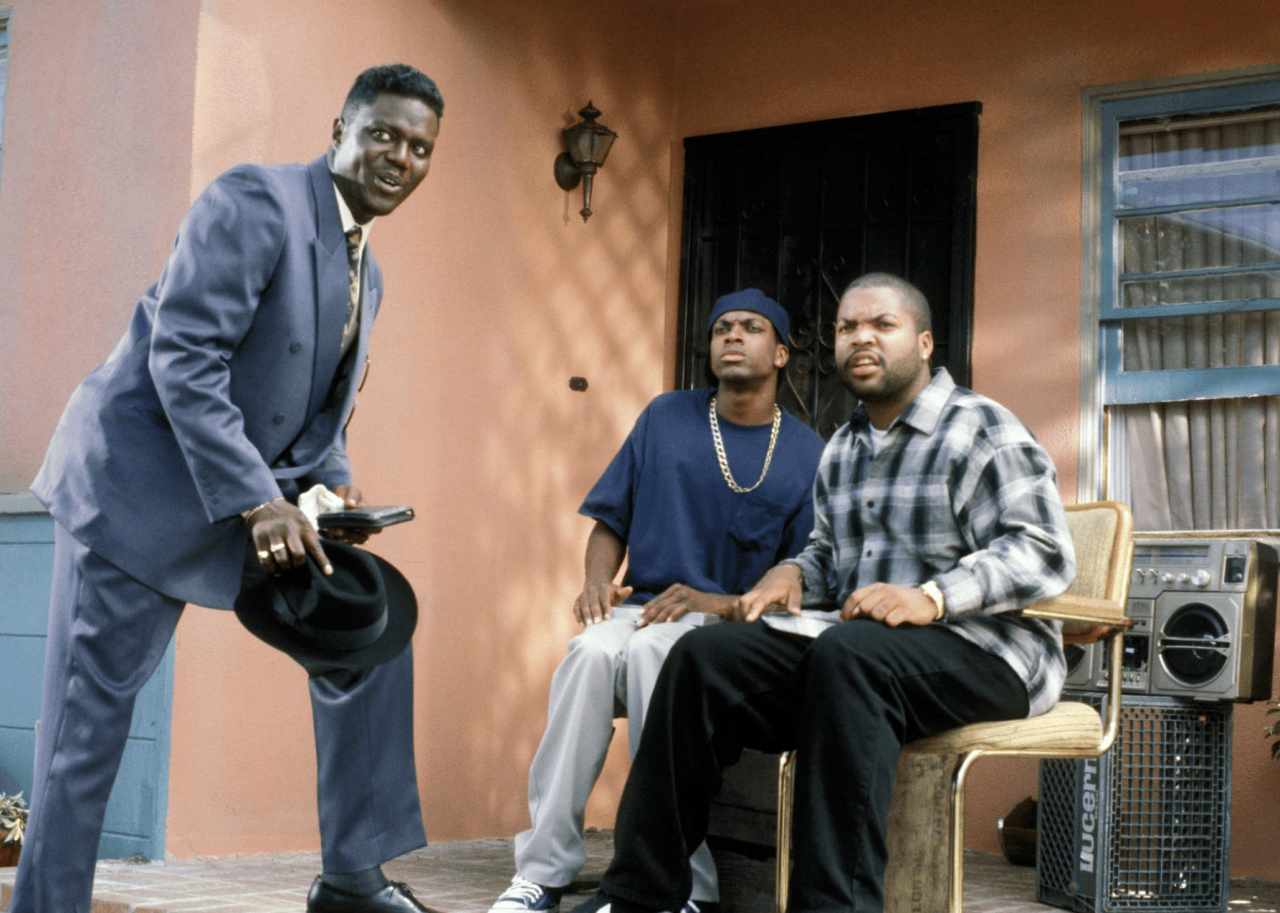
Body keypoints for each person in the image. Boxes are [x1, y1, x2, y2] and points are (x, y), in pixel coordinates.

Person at [15, 64, 445, 913]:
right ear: (340, 131)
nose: (401, 155)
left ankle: (353, 879)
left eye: (420, 146)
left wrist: (331, 485)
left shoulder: (372, 270)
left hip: (248, 499)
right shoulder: (256, 202)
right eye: (385, 134)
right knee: (86, 731)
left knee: (367, 627)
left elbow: (318, 412)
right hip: (135, 489)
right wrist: (260, 499)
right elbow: (185, 356)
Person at [570, 273, 1078, 913]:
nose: (862, 338)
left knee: (851, 656)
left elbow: (1046, 550)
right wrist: (795, 573)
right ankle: (640, 896)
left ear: (923, 343)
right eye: (847, 328)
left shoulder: (978, 426)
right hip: (868, 654)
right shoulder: (845, 447)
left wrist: (933, 596)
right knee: (703, 658)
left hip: (987, 651)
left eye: (882, 326)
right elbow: (827, 557)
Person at [488, 289, 826, 913]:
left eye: (751, 328)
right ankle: (542, 871)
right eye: (722, 326)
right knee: (589, 655)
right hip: (637, 606)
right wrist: (596, 579)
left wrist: (719, 601)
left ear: (780, 353)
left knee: (654, 659)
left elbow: (804, 574)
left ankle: (679, 884)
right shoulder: (666, 416)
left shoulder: (809, 453)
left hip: (727, 624)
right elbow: (610, 517)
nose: (731, 336)